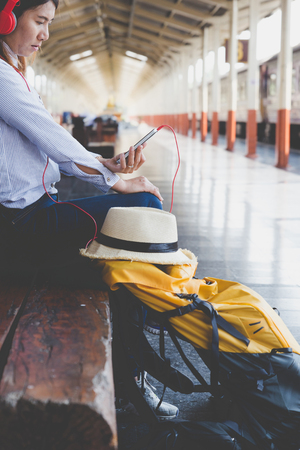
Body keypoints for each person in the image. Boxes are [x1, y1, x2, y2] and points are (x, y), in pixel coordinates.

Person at [0, 0, 178, 420]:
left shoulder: (14, 73)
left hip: (33, 218)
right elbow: (52, 138)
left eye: (49, 24)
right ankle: (138, 362)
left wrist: (108, 167)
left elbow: (56, 147)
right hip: (21, 229)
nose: (45, 34)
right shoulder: (2, 77)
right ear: (7, 17)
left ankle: (136, 358)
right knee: (144, 206)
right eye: (39, 21)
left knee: (122, 252)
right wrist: (117, 182)